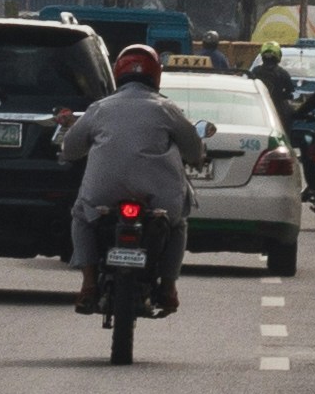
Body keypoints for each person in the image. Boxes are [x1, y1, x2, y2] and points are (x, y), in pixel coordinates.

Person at [64, 41, 221, 311]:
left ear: (118, 73)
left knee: (81, 217)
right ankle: (169, 288)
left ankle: (88, 283)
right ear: (156, 75)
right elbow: (194, 149)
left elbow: (70, 148)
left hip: (103, 193)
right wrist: (196, 156)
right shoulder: (166, 108)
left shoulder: (100, 108)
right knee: (178, 224)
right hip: (159, 196)